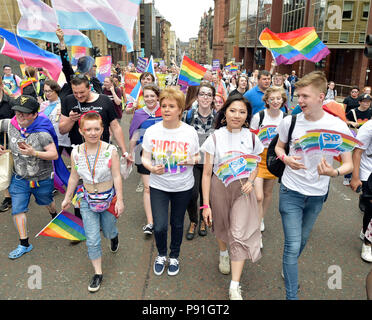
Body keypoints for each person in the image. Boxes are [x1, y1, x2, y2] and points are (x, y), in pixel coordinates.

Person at [274, 71, 353, 300]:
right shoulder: (291, 121)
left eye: (305, 96)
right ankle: (291, 295)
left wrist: (334, 172)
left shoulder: (337, 126)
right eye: (298, 95)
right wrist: (285, 158)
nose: (299, 101)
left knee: (303, 240)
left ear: (321, 96)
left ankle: (288, 267)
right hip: (290, 190)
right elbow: (279, 147)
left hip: (318, 194)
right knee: (292, 244)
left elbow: (348, 164)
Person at [200, 94, 264, 300]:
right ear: (225, 113)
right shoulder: (215, 137)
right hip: (220, 186)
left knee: (238, 234)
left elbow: (254, 165)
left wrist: (251, 181)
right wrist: (205, 204)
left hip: (243, 190)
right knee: (221, 226)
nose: (237, 115)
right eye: (233, 110)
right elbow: (207, 173)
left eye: (242, 112)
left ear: (247, 116)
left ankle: (234, 286)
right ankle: (223, 253)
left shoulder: (253, 137)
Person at [61, 111, 124, 292]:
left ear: (103, 129)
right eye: (88, 129)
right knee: (92, 239)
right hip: (87, 200)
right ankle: (98, 273)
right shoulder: (76, 152)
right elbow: (74, 178)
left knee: (109, 230)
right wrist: (67, 198)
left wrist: (120, 200)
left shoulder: (110, 151)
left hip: (108, 200)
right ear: (81, 131)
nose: (93, 133)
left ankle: (114, 235)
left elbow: (117, 176)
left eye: (97, 128)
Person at [141, 87, 199, 277]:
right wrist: (151, 168)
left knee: (177, 223)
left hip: (182, 185)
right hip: (159, 185)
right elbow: (144, 157)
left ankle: (174, 255)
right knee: (159, 225)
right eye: (163, 105)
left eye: (171, 106)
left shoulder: (189, 132)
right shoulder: (152, 131)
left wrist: (189, 160)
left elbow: (198, 157)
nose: (166, 109)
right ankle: (161, 254)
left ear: (180, 109)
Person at [0, 95, 61, 259]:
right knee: (18, 209)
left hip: (41, 179)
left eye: (24, 113)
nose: (19, 115)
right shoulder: (10, 124)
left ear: (34, 114)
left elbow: (54, 154)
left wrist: (34, 152)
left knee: (47, 201)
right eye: (17, 111)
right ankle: (24, 243)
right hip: (19, 178)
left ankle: (54, 215)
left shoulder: (42, 132)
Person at [250, 86, 288, 245]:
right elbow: (251, 138)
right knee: (258, 195)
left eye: (278, 98)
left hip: (274, 158)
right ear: (266, 100)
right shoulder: (259, 116)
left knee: (267, 193)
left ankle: (261, 218)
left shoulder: (286, 118)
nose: (275, 101)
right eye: (272, 98)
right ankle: (256, 229)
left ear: (283, 100)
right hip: (259, 157)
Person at [181, 82, 216, 240]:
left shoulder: (219, 117)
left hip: (211, 162)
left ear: (213, 98)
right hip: (193, 161)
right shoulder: (187, 115)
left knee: (206, 193)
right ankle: (193, 220)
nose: (205, 97)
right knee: (192, 193)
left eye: (209, 94)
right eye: (202, 94)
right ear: (197, 96)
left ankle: (203, 219)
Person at [129, 84, 162, 235]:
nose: (149, 99)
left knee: (161, 187)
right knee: (148, 188)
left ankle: (161, 214)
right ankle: (150, 222)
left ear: (157, 96)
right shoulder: (139, 113)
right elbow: (134, 135)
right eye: (146, 96)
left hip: (163, 153)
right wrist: (131, 153)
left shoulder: (165, 110)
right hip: (143, 152)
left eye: (152, 96)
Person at [55, 28, 102, 100]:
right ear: (88, 68)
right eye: (93, 66)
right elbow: (66, 64)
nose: (95, 68)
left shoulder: (95, 82)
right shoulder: (74, 79)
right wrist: (61, 41)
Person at [350, 119, 372, 262]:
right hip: (368, 170)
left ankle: (366, 230)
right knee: (371, 206)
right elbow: (357, 152)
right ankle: (368, 243)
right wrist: (355, 177)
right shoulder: (369, 127)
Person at [39, 80, 71, 157]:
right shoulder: (44, 105)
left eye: (50, 91)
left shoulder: (64, 103)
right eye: (45, 91)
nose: (47, 93)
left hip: (64, 139)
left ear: (56, 90)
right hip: (50, 139)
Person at [0, 77, 15, 212]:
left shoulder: (10, 101)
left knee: (15, 167)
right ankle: (8, 197)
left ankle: (19, 193)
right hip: (0, 143)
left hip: (13, 139)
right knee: (2, 168)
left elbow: (18, 120)